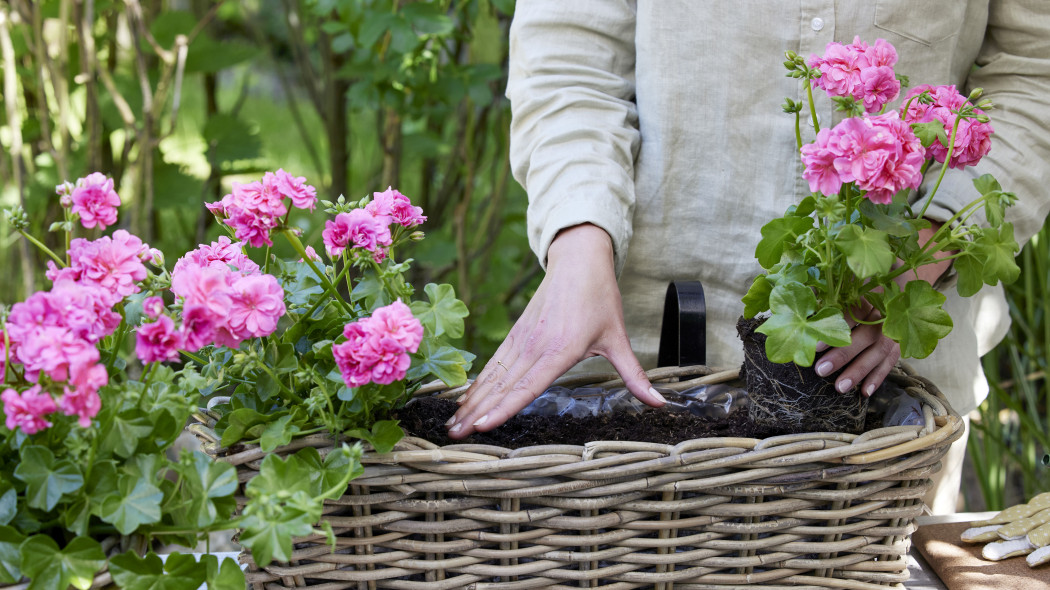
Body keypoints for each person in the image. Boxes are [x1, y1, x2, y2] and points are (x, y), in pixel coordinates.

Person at [447, 1, 1050, 513]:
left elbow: (1035, 71)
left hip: (883, 389)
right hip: (638, 360)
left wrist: (910, 265)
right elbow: (569, 63)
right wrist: (578, 242)